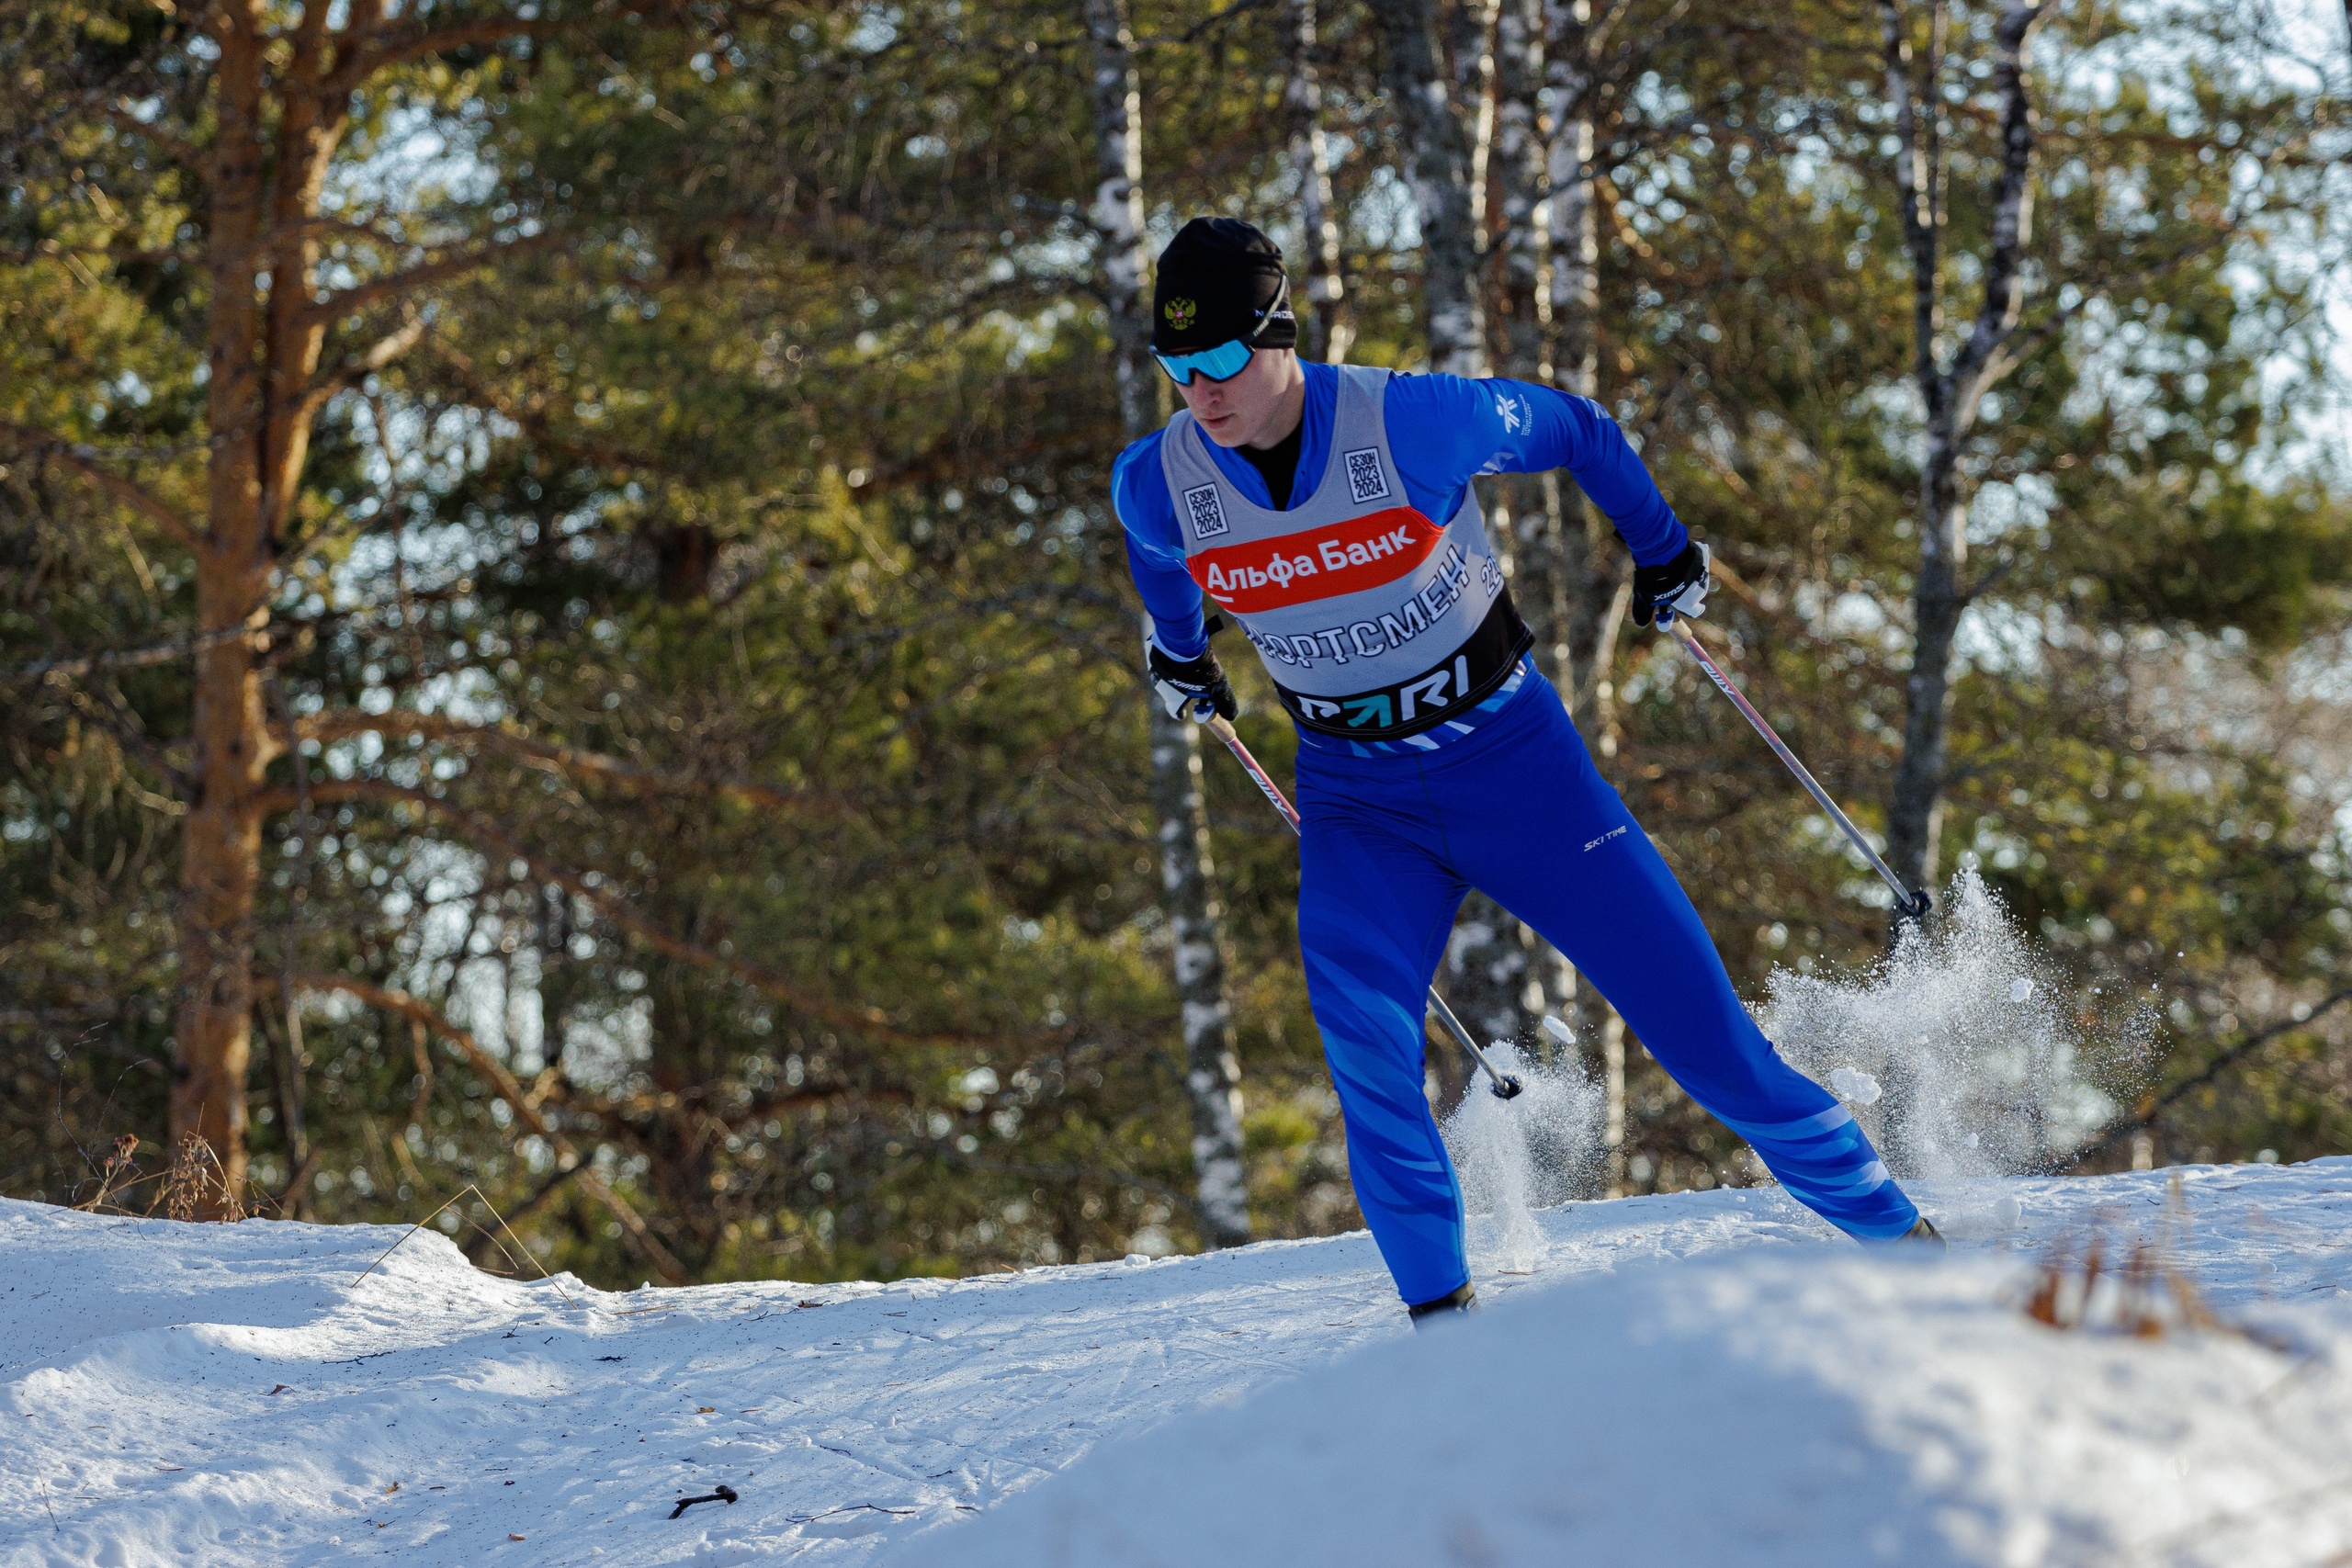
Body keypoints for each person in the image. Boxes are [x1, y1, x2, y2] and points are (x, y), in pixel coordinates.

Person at [1112, 217, 1941, 1325]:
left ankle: (1912, 1248)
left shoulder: (1410, 420)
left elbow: (1580, 430)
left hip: (1518, 773)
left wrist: (1663, 550)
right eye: (1176, 367)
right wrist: (1180, 652)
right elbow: (1163, 562)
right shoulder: (1157, 480)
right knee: (1366, 1059)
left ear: (1281, 338)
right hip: (1357, 802)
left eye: (1219, 359)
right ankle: (1443, 1331)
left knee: (1710, 1048)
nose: (1200, 392)